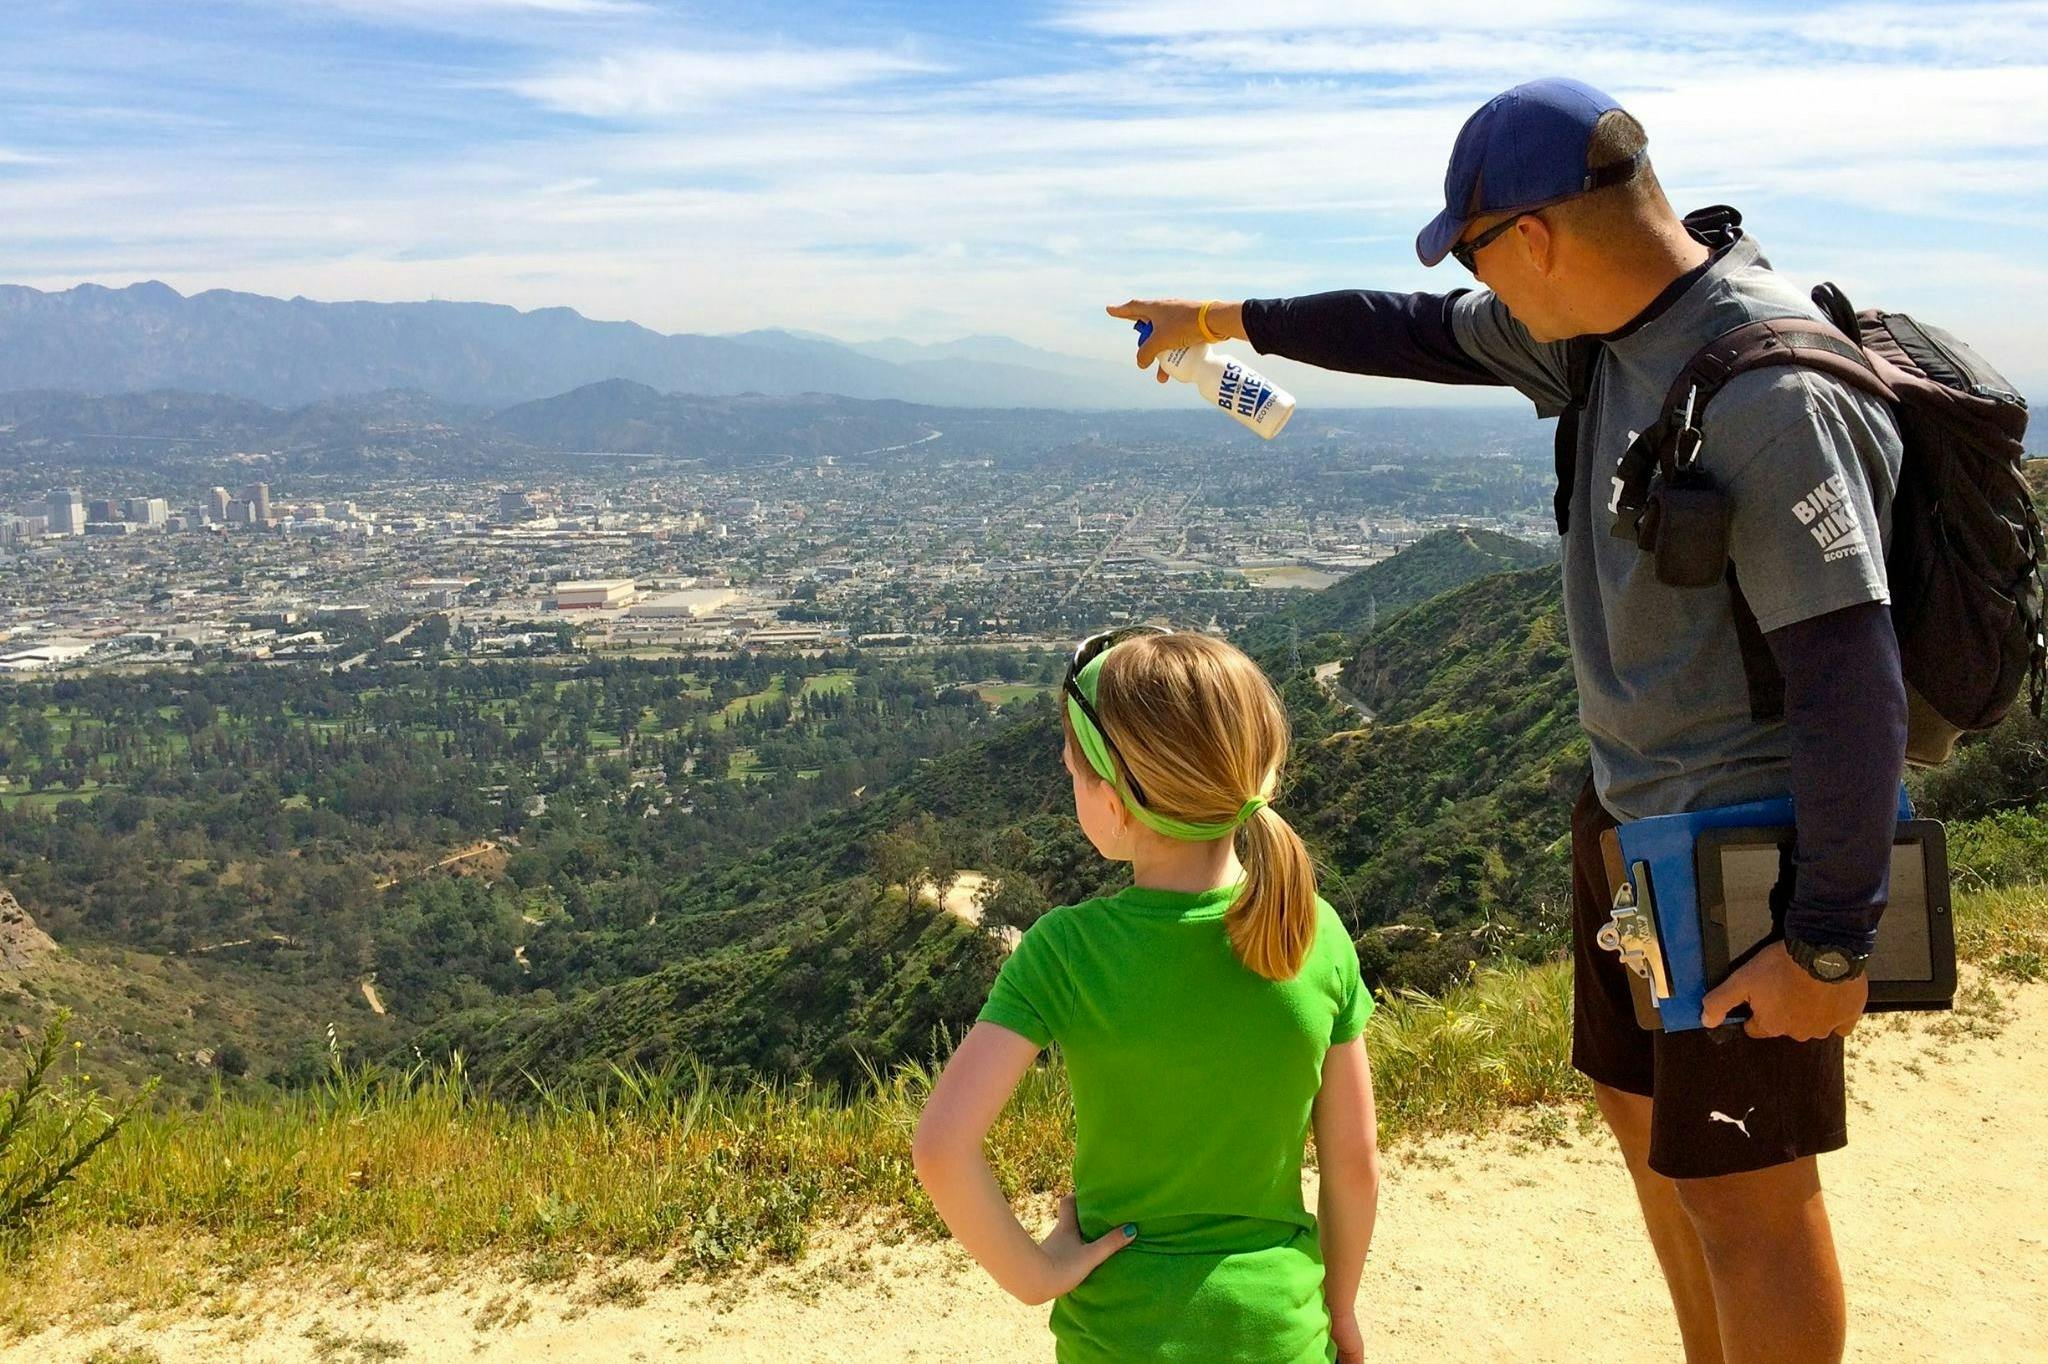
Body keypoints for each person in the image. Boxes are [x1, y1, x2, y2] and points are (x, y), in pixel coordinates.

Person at [1108, 79, 1906, 1364]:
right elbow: (1411, 329)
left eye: (1476, 250)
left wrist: (1826, 937)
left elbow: (1849, 674)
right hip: (1632, 813)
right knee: (1652, 1132)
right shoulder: (1595, 335)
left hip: (1745, 849)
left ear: (1528, 236)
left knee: (1750, 1196)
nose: (1477, 287)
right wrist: (1218, 320)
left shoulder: (1766, 389)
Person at [912, 626, 1381, 1364]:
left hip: (1116, 1337)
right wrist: (1342, 1309)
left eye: (1073, 772)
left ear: (1118, 802)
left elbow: (942, 1149)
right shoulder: (1310, 932)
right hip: (1280, 1331)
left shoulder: (1066, 952)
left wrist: (1038, 1276)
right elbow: (1352, 1160)